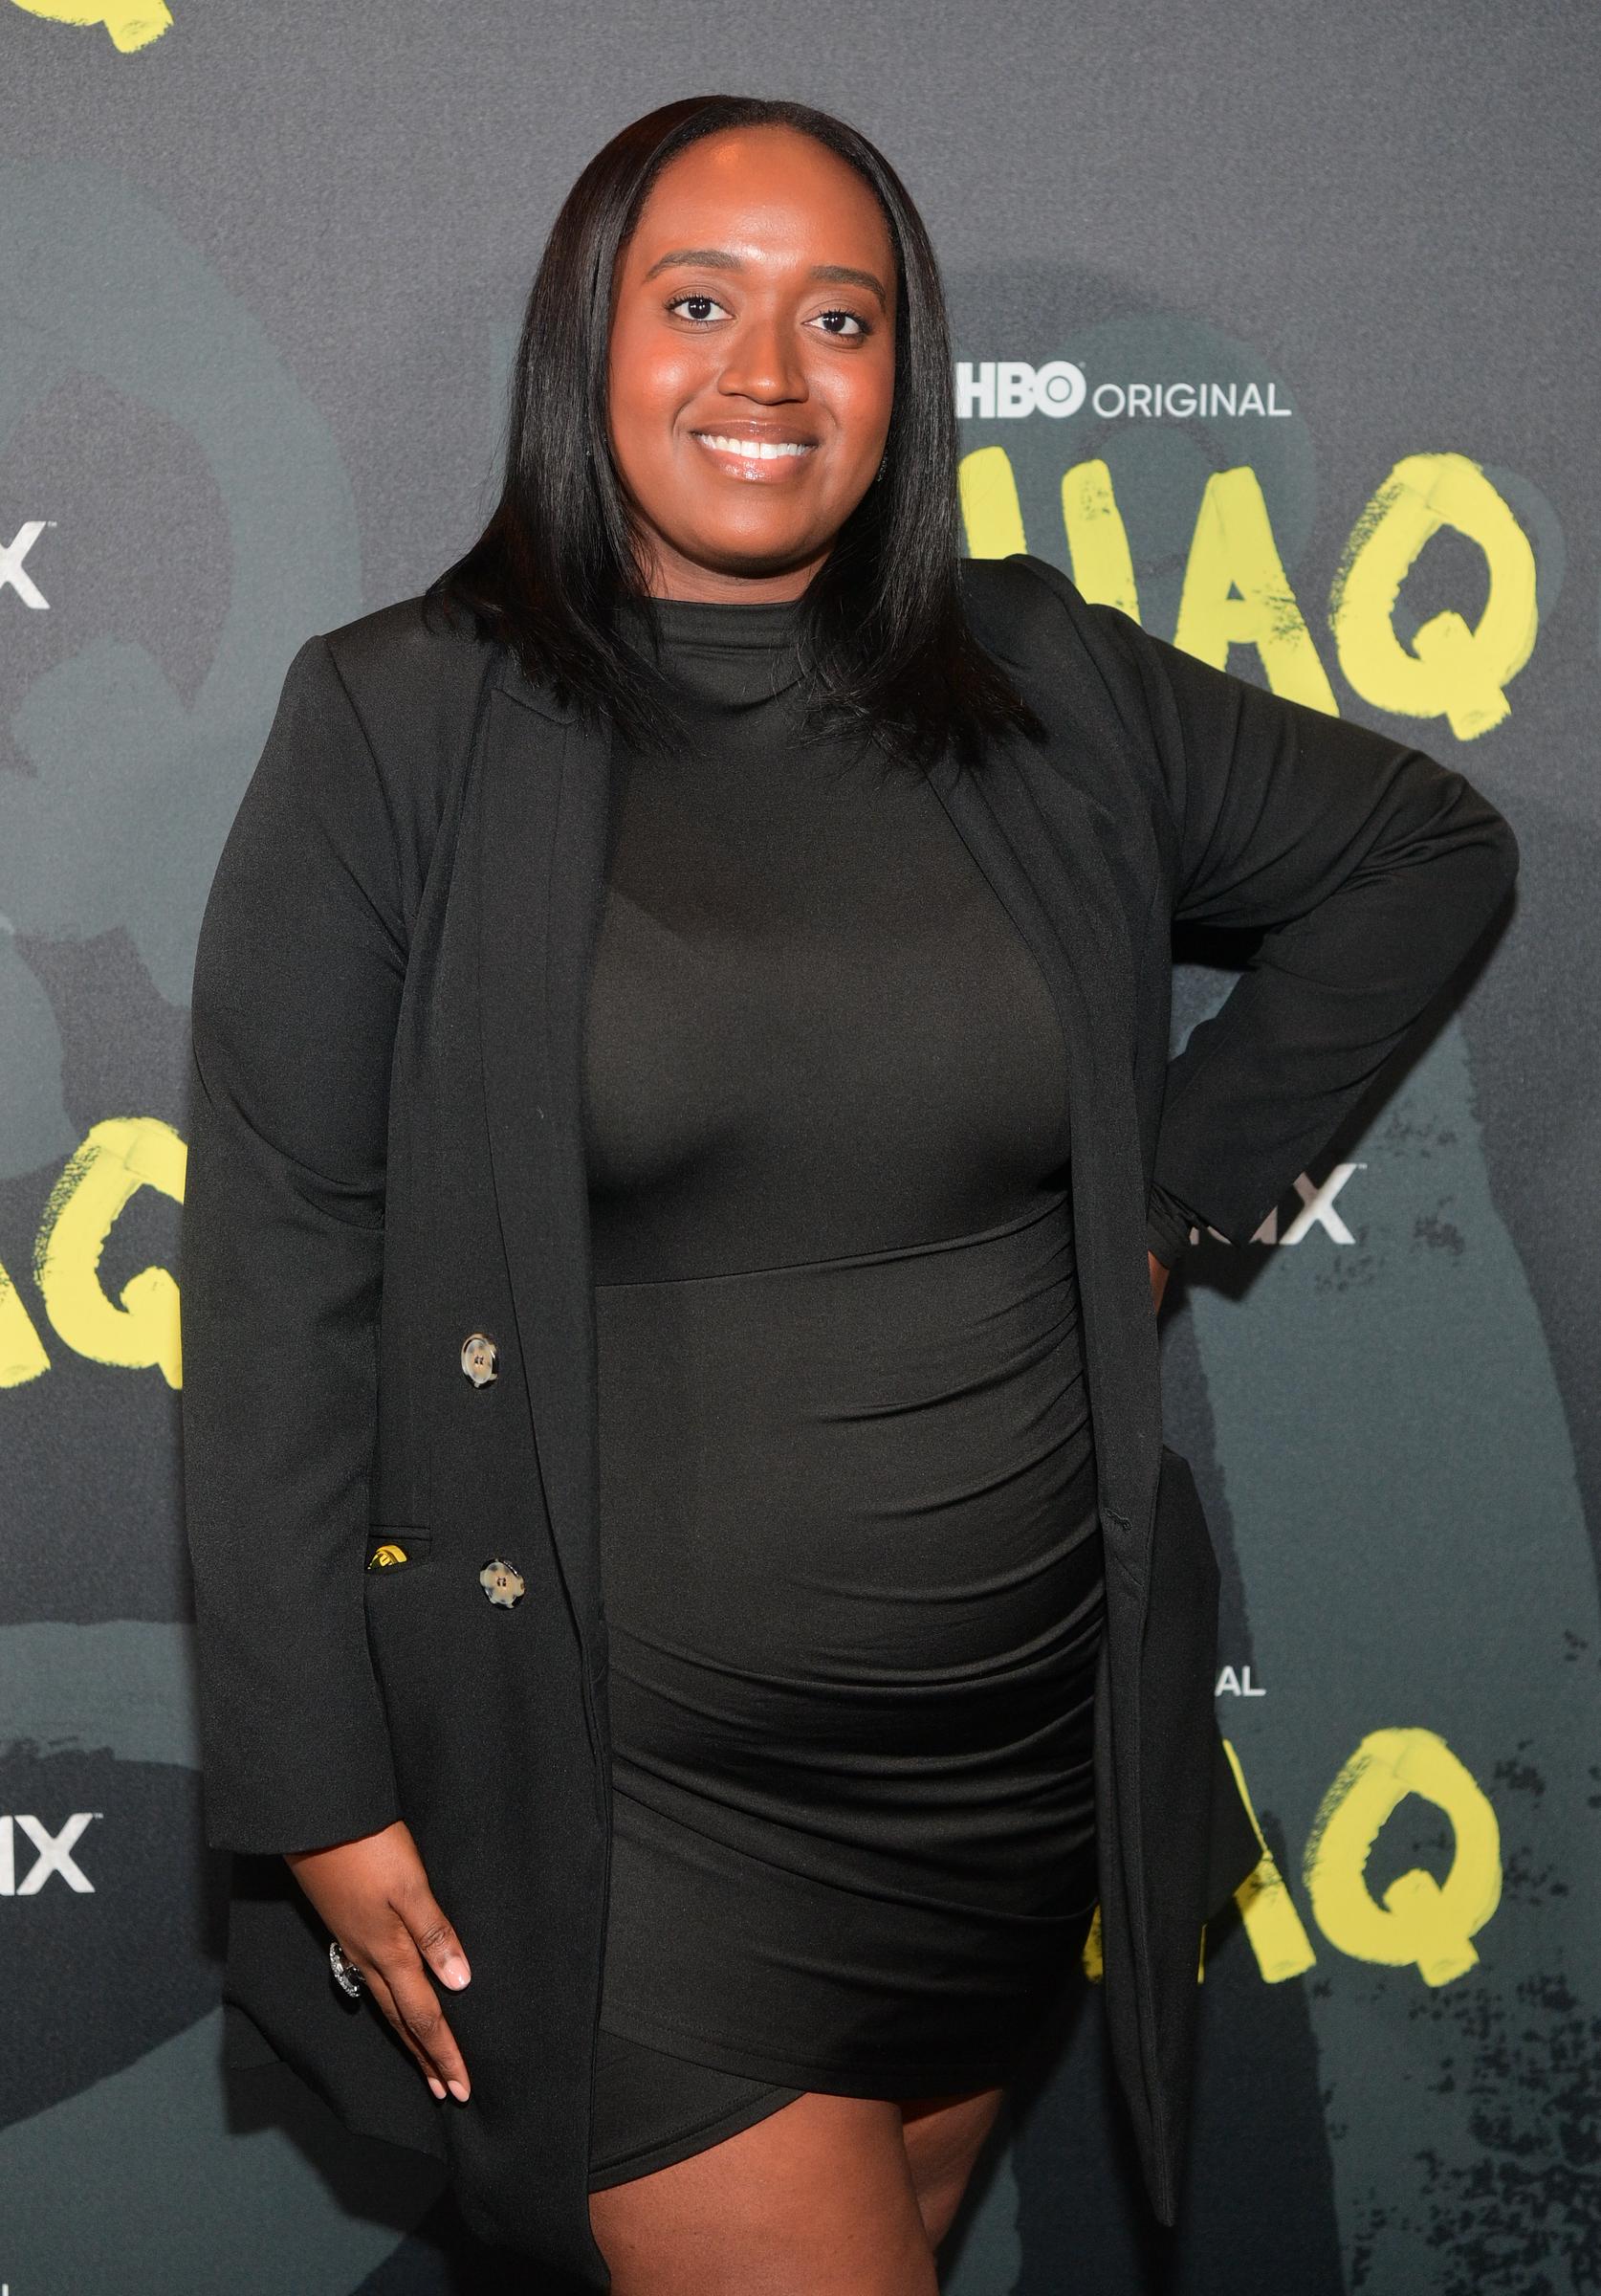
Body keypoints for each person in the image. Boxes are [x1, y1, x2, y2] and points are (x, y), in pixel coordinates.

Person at [179, 94, 1520, 2295]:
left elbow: (1421, 850)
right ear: (586, 345)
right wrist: (314, 1787)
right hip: (635, 1832)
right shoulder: (406, 726)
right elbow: (279, 1264)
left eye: (842, 317)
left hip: (1001, 1791)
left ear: (908, 375)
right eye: (698, 304)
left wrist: (1172, 1202)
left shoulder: (1049, 684)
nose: (769, 376)